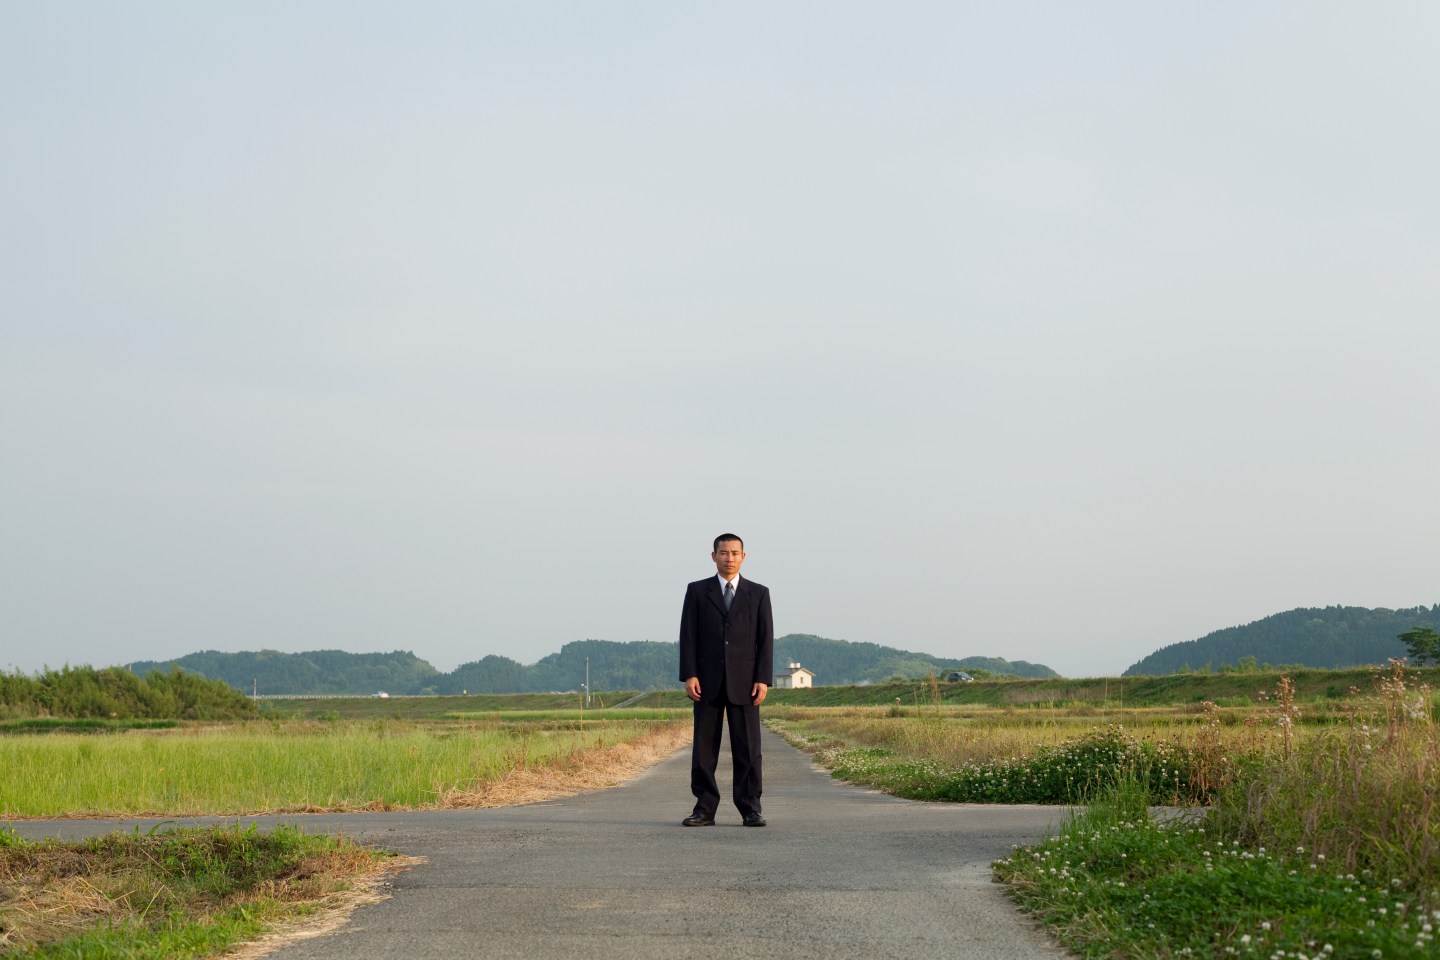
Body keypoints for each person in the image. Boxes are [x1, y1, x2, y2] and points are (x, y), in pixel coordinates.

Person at [677, 533, 774, 827]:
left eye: (734, 553)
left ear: (743, 556)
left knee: (748, 748)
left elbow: (765, 639)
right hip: (706, 681)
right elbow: (688, 636)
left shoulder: (758, 593)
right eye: (723, 552)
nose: (729, 558)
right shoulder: (697, 591)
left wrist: (763, 679)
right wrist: (689, 674)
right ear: (713, 556)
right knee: (704, 749)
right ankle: (704, 808)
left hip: (746, 683)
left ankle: (750, 808)